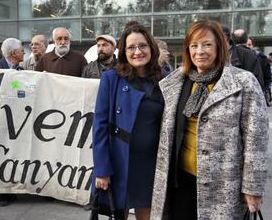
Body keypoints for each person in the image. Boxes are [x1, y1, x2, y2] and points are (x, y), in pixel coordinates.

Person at [151, 20, 268, 219]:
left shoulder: (243, 82)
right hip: (180, 182)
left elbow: (256, 139)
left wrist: (252, 188)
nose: (200, 51)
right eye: (194, 46)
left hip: (223, 185)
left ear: (219, 47)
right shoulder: (177, 81)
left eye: (207, 44)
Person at [93, 22, 163, 220]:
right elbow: (99, 126)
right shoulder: (111, 79)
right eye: (131, 47)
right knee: (118, 213)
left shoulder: (164, 80)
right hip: (120, 160)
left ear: (151, 48)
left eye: (142, 46)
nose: (137, 52)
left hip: (151, 164)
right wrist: (102, 169)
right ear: (123, 52)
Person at [246, 37, 272, 106]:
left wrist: (262, 89)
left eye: (249, 45)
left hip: (257, 93)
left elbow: (267, 77)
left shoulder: (261, 57)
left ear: (252, 46)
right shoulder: (237, 56)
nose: (247, 47)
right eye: (245, 45)